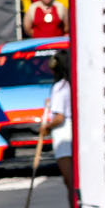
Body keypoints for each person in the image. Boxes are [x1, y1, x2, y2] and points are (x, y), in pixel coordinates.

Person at [39, 50, 74, 196]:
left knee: (69, 180)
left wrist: (46, 127)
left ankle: (74, 207)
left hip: (63, 134)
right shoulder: (71, 85)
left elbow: (59, 117)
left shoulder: (59, 87)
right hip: (74, 130)